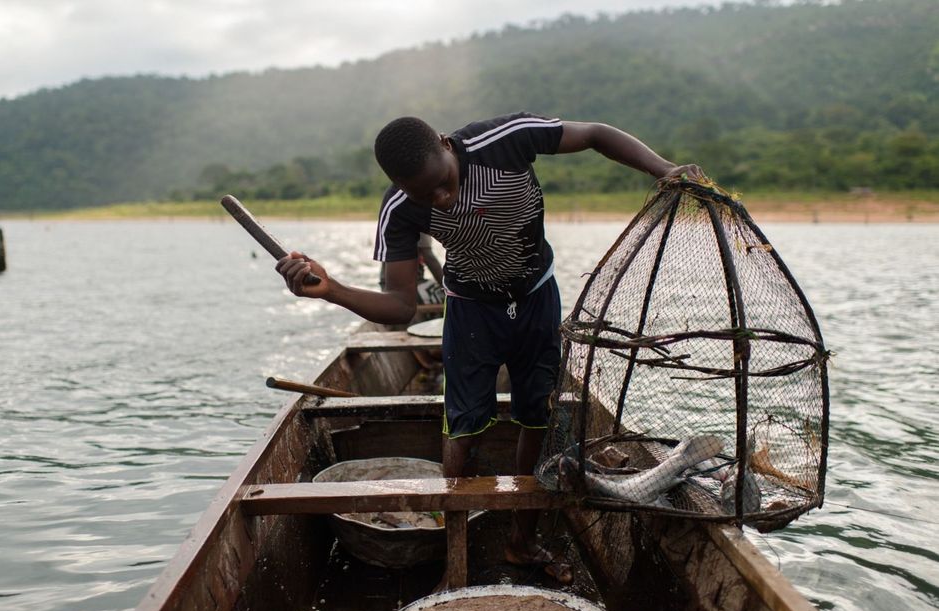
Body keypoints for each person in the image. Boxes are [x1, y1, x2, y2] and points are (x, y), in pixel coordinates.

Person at [276, 112, 704, 585]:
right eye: (427, 195)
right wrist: (331, 289)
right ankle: (452, 553)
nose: (442, 198)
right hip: (471, 310)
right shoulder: (400, 209)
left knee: (539, 413)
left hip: (536, 296)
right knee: (464, 428)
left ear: (445, 144)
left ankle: (523, 541)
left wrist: (662, 168)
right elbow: (399, 307)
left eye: (443, 182)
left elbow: (597, 134)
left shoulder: (504, 141)